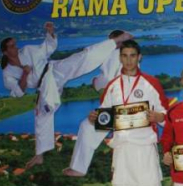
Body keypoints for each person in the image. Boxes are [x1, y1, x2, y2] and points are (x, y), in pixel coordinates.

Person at [1, 23, 132, 169]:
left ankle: (114, 43)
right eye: (12, 46)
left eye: (15, 44)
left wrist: (50, 33)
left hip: (54, 68)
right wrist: (25, 73)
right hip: (45, 85)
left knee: (81, 57)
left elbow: (47, 48)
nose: (16, 47)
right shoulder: (8, 73)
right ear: (5, 52)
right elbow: (19, 92)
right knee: (43, 113)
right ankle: (39, 155)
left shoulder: (27, 50)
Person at [89, 39, 170, 186]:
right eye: (125, 56)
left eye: (133, 55)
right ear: (120, 58)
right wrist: (94, 118)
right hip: (122, 149)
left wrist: (158, 117)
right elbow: (104, 118)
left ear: (139, 57)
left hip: (144, 148)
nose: (129, 60)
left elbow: (166, 113)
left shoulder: (151, 83)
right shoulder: (112, 86)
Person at [63, 30, 124, 177]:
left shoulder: (116, 55)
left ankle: (79, 168)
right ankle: (79, 168)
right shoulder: (122, 54)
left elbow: (106, 79)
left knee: (88, 127)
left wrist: (95, 82)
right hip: (117, 104)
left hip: (120, 106)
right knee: (90, 127)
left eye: (112, 41)